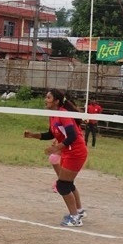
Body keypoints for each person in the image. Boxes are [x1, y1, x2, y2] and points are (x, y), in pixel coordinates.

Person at [23, 89, 88, 227]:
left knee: (62, 185)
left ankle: (75, 218)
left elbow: (72, 136)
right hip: (68, 151)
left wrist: (56, 148)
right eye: (46, 97)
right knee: (67, 184)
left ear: (57, 101)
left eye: (48, 98)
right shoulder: (53, 115)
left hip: (76, 152)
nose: (45, 100)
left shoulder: (63, 114)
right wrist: (33, 135)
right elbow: (51, 134)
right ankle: (79, 211)